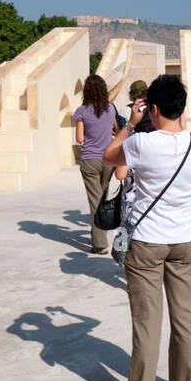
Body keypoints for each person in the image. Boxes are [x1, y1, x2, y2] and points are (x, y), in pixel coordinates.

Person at [103, 74, 191, 381]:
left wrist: (130, 125)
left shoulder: (141, 144)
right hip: (186, 240)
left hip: (148, 242)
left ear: (151, 108)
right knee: (186, 320)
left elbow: (109, 158)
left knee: (147, 325)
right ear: (182, 108)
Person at [74, 74, 118, 254]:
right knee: (102, 199)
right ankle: (97, 239)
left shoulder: (82, 111)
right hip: (108, 159)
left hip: (90, 160)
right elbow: (116, 129)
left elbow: (79, 139)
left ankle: (100, 244)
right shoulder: (111, 108)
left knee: (95, 201)